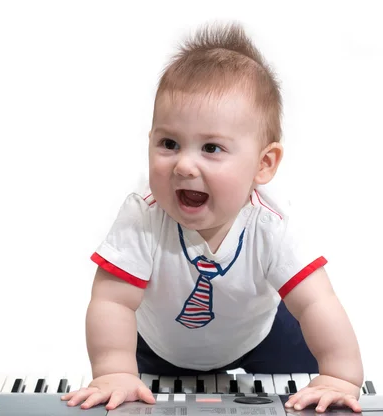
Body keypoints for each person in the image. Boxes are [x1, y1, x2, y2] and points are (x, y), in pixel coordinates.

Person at [61, 21, 364, 413]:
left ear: (263, 164)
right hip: (160, 345)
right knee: (130, 380)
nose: (184, 165)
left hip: (259, 336)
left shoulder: (269, 226)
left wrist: (340, 376)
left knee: (307, 374)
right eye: (169, 143)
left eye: (212, 148)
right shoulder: (143, 215)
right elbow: (112, 302)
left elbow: (316, 302)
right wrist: (115, 369)